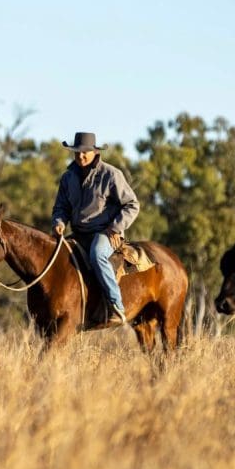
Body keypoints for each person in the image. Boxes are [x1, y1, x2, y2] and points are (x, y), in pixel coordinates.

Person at [51, 132, 140, 325]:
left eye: (84, 153)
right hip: (78, 232)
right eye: (76, 153)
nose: (80, 156)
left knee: (97, 254)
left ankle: (116, 306)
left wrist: (115, 228)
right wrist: (58, 222)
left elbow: (132, 204)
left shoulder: (111, 174)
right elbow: (61, 207)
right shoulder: (68, 178)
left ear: (94, 152)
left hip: (104, 232)